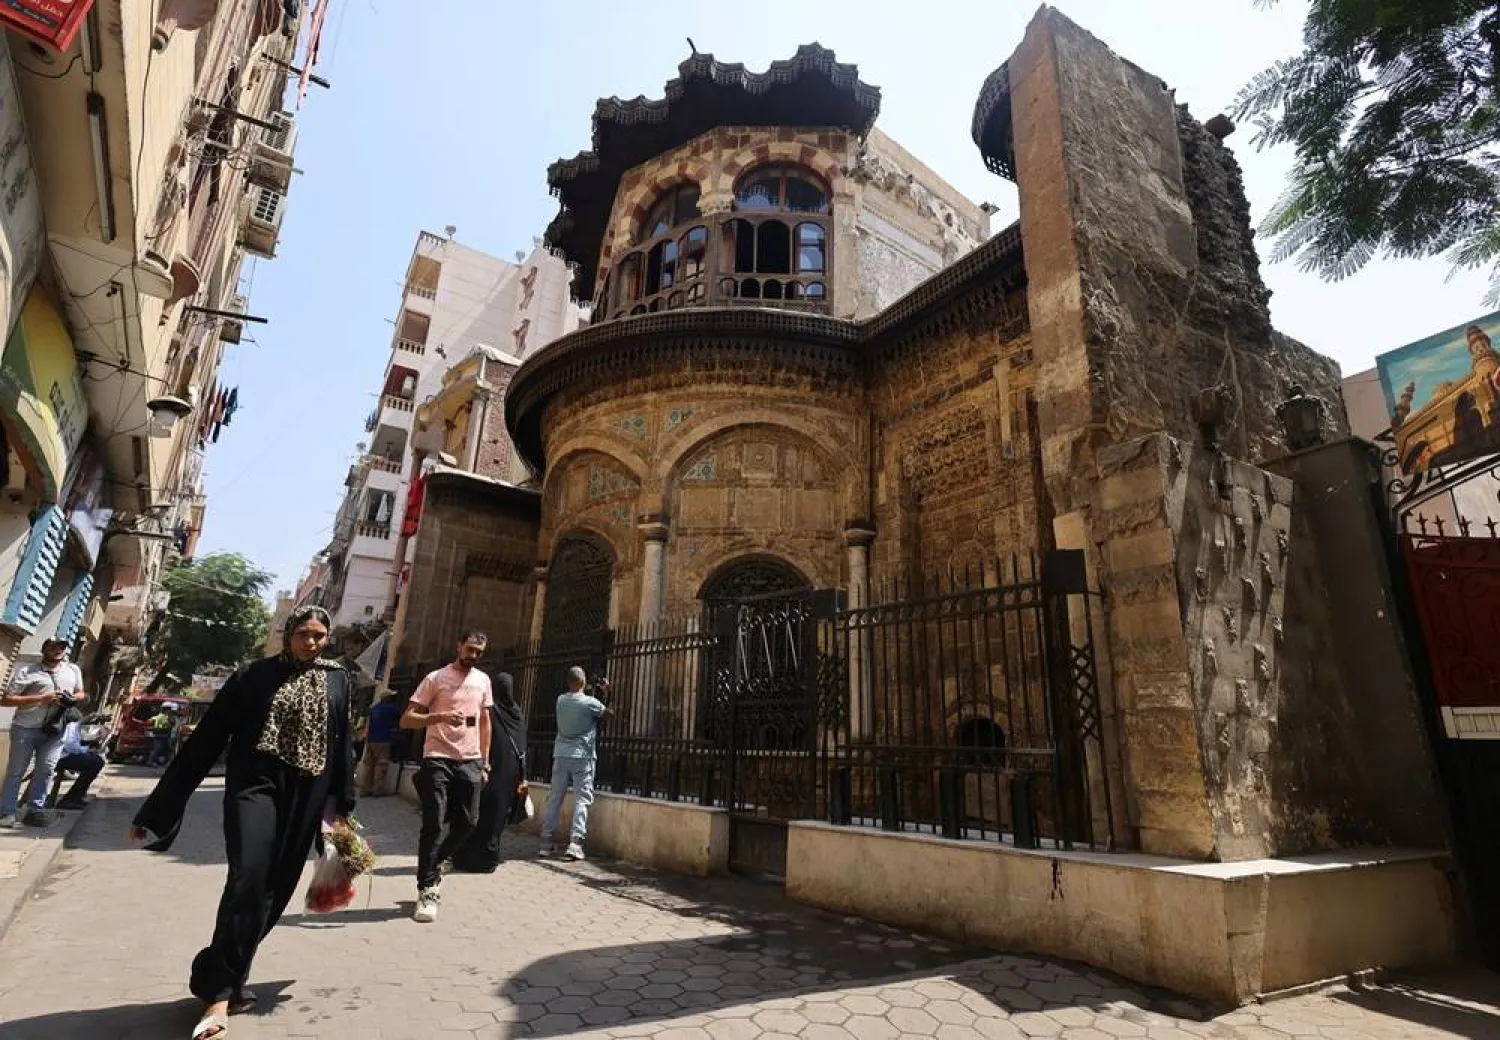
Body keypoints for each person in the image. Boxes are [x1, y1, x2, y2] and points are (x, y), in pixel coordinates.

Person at [129, 606, 357, 1040]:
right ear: (288, 634)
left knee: (276, 889)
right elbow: (208, 738)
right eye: (304, 633)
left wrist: (343, 810)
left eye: (320, 635)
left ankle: (225, 973)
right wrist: (157, 809)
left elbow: (342, 744)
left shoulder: (337, 678)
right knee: (248, 876)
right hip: (255, 786)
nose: (312, 642)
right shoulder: (253, 676)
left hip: (307, 795)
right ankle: (217, 995)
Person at [400, 630, 493, 924]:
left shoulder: (483, 681)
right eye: (470, 649)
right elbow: (407, 719)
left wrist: (485, 762)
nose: (473, 656)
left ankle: (436, 863)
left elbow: (485, 722)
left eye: (479, 652)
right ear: (458, 646)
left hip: (470, 760)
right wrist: (437, 718)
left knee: (469, 821)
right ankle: (427, 888)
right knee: (434, 822)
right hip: (437, 757)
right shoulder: (435, 678)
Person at [0, 638, 86, 828]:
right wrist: (41, 698)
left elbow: (81, 692)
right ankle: (7, 812)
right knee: (16, 772)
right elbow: (6, 700)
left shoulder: (73, 670)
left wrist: (72, 698)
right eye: (53, 647)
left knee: (46, 770)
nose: (58, 650)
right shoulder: (27, 672)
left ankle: (35, 811)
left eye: (61, 647)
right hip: (26, 728)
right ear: (44, 649)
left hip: (56, 730)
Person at [451, 672, 526, 874]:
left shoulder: (490, 710)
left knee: (477, 812)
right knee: (495, 817)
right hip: (508, 774)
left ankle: (465, 857)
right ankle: (488, 859)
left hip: (486, 768)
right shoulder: (516, 712)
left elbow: (474, 730)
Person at [539, 667, 610, 862]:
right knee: (582, 799)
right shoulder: (589, 703)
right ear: (583, 680)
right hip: (582, 756)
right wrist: (606, 692)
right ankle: (575, 843)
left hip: (561, 754)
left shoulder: (561, 700)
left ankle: (546, 842)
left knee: (555, 798)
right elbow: (607, 714)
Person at [357, 692, 402, 797]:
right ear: (387, 698)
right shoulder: (391, 708)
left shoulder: (374, 709)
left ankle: (365, 790)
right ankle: (377, 790)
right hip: (383, 740)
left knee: (368, 765)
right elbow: (399, 714)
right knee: (380, 766)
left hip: (371, 740)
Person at [55, 718, 106, 809]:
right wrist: (87, 750)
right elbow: (70, 746)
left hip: (66, 755)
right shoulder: (73, 726)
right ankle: (70, 800)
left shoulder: (79, 729)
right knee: (94, 763)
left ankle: (76, 797)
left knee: (97, 761)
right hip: (60, 756)